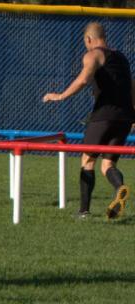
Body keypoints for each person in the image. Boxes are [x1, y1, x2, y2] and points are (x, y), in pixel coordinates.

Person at [42, 22, 134, 219]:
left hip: (104, 115)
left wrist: (60, 96)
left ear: (89, 40)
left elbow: (83, 79)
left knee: (87, 160)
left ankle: (83, 211)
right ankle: (120, 187)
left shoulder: (94, 54)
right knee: (107, 164)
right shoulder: (122, 57)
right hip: (125, 117)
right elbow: (131, 86)